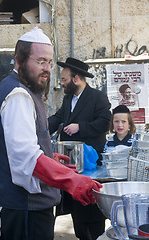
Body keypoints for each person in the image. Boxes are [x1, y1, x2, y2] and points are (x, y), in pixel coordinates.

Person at [0, 27, 102, 240]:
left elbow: (17, 148)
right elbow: (26, 157)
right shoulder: (18, 95)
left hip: (23, 209)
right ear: (19, 60)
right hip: (23, 211)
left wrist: (49, 158)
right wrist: (71, 180)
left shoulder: (24, 89)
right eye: (40, 61)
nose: (47, 69)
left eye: (49, 62)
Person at [48, 57, 111, 240]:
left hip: (90, 166)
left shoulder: (98, 97)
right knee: (77, 216)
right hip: (72, 164)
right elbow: (59, 117)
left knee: (92, 215)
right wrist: (41, 126)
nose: (62, 83)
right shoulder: (68, 99)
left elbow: (104, 123)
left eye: (64, 80)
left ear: (76, 79)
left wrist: (80, 127)